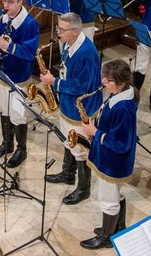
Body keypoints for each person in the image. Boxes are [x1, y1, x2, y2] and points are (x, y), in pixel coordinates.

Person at [40, 13, 102, 205]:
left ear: (75, 32)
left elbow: (82, 86)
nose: (58, 32)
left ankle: (83, 188)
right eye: (58, 28)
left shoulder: (86, 52)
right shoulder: (68, 43)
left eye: (62, 30)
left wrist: (54, 82)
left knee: (81, 149)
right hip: (67, 103)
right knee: (69, 140)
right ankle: (68, 173)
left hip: (81, 108)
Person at [79, 59, 138, 249]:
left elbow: (121, 144)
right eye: (104, 77)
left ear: (121, 82)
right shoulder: (118, 94)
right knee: (115, 194)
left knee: (108, 199)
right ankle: (118, 227)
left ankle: (106, 238)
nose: (103, 81)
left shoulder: (123, 109)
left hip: (113, 162)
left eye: (108, 79)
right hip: (109, 158)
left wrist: (95, 133)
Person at [0, 0, 39, 168]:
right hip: (3, 72)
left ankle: (21, 149)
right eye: (4, 1)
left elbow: (30, 53)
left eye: (10, 2)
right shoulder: (2, 16)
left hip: (19, 76)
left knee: (18, 114)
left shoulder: (29, 24)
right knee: (4, 110)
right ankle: (7, 144)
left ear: (20, 2)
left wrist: (7, 46)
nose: (5, 5)